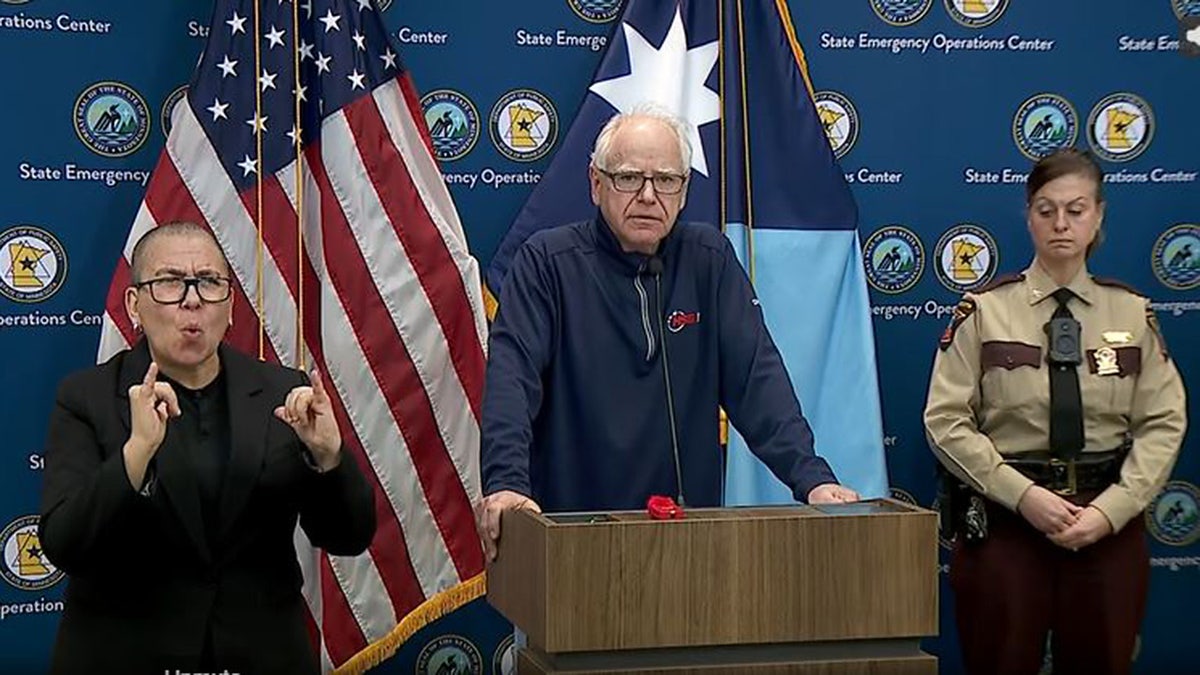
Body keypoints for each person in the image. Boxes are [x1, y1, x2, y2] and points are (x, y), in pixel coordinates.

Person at [478, 106, 859, 560]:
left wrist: (812, 477)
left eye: (665, 180)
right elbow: (512, 381)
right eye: (628, 178)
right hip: (569, 539)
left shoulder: (709, 260)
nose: (647, 195)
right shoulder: (547, 262)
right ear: (596, 184)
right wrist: (506, 484)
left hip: (685, 543)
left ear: (684, 191)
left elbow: (757, 381)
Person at [39, 221, 377, 675]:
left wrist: (328, 457)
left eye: (209, 282)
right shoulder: (87, 397)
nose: (192, 299)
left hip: (262, 655)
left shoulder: (284, 393)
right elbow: (65, 543)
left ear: (231, 306)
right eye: (169, 282)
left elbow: (348, 536)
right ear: (134, 305)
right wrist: (137, 453)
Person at [924, 148, 1186, 675]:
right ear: (1029, 216)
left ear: (1098, 216)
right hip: (1007, 523)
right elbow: (945, 420)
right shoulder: (985, 311)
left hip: (1106, 525)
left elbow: (1164, 421)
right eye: (1047, 210)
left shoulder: (1132, 313)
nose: (1061, 224)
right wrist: (1024, 497)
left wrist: (1112, 510)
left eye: (1076, 209)